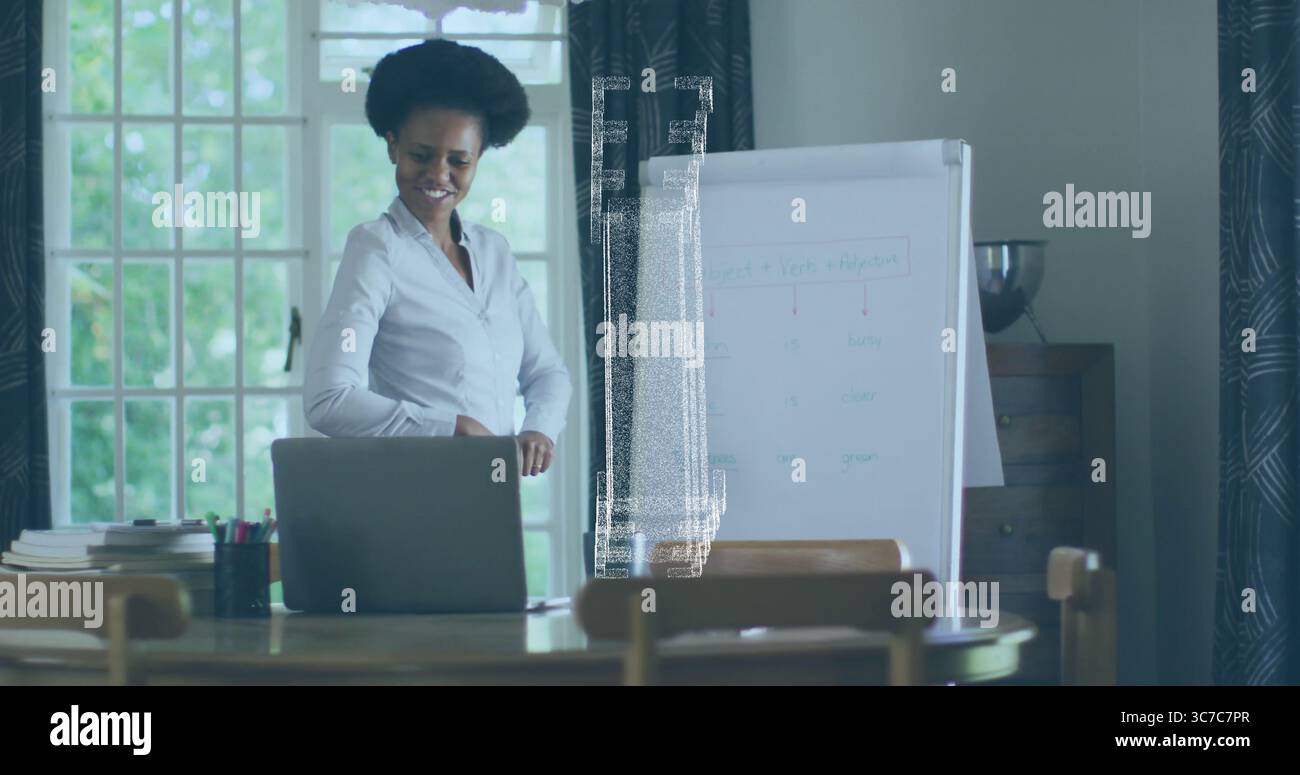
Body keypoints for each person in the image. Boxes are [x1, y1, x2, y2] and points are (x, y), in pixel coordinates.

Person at [304, 40, 570, 477]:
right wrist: (451, 428)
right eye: (420, 155)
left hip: (495, 499)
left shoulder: (494, 252)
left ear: (479, 159)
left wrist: (540, 429)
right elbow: (328, 398)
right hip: (416, 497)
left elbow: (547, 372)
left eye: (459, 161)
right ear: (392, 147)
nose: (438, 175)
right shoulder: (376, 249)